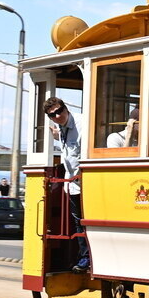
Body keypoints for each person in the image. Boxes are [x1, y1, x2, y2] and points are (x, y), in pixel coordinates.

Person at [44, 97, 90, 272]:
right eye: (52, 115)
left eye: (59, 111)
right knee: (79, 223)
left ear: (65, 108)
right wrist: (57, 137)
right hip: (72, 185)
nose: (57, 116)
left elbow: (84, 155)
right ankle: (84, 257)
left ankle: (87, 258)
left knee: (83, 222)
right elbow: (70, 152)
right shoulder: (62, 127)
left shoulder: (81, 124)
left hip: (83, 184)